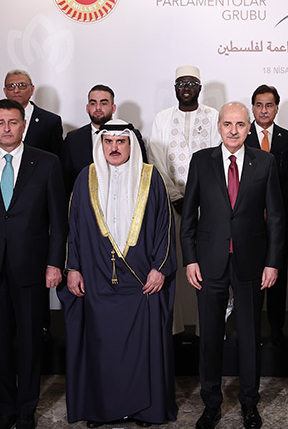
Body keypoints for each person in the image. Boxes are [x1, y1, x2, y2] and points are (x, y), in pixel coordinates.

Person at [58, 120, 178, 427]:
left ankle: (144, 410)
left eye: (120, 141)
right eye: (108, 141)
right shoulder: (86, 178)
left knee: (141, 347)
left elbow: (164, 228)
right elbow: (74, 229)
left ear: (131, 145)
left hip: (141, 282)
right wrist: (73, 268)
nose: (114, 147)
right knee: (101, 346)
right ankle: (102, 410)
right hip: (96, 280)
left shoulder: (150, 178)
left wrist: (160, 268)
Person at [0, 98, 67, 429]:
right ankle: (5, 409)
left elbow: (58, 221)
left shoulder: (46, 162)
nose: (6, 128)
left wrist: (55, 263)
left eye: (13, 122)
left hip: (31, 265)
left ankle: (26, 409)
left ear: (23, 125)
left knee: (31, 340)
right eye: (0, 122)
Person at [181, 102, 285, 429]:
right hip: (209, 262)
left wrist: (273, 263)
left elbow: (276, 218)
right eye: (227, 124)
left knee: (249, 337)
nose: (233, 130)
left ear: (248, 127)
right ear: (219, 126)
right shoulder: (201, 161)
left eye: (240, 124)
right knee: (210, 336)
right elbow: (188, 218)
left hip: (251, 262)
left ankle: (249, 402)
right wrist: (190, 259)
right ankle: (211, 403)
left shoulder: (265, 162)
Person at [148, 65, 220, 334]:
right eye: (181, 84)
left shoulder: (214, 117)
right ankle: (175, 328)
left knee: (208, 267)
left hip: (209, 206)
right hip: (171, 206)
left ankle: (207, 330)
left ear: (200, 87)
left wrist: (200, 199)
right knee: (174, 263)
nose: (186, 88)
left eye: (191, 83)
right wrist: (176, 196)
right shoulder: (162, 119)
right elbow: (155, 159)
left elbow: (218, 156)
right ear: (175, 88)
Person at [245, 84, 288, 347]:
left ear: (277, 108)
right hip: (249, 221)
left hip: (279, 220)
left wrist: (275, 210)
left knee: (277, 277)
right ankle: (251, 330)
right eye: (259, 105)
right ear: (252, 108)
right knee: (251, 277)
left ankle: (277, 329)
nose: (264, 110)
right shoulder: (241, 136)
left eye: (269, 105)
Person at [60, 84, 148, 193]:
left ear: (113, 108)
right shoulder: (73, 139)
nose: (98, 108)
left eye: (103, 103)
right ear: (87, 108)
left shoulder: (131, 135)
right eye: (93, 103)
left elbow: (142, 173)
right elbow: (65, 180)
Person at [0, 69, 63, 156]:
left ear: (32, 89)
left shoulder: (50, 121)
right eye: (11, 86)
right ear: (5, 91)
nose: (16, 90)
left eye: (22, 85)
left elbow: (57, 158)